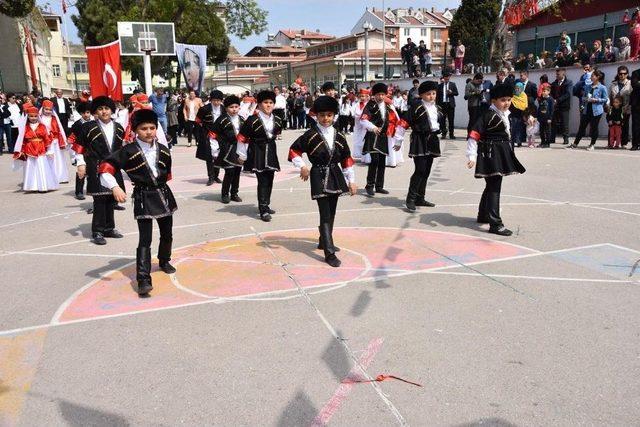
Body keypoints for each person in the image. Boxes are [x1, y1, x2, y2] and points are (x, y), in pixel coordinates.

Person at [99, 109, 177, 296]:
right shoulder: (128, 151)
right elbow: (104, 168)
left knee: (167, 233)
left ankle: (164, 260)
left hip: (164, 194)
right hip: (143, 196)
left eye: (152, 128)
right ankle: (143, 278)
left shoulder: (164, 150)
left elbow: (167, 174)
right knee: (145, 238)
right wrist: (115, 187)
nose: (149, 132)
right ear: (135, 130)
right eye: (143, 128)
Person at [288, 96, 357, 268]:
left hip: (335, 174)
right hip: (318, 175)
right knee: (325, 213)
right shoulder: (310, 135)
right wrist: (303, 166)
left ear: (334, 115)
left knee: (332, 212)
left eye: (329, 115)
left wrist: (352, 180)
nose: (325, 118)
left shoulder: (340, 135)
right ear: (316, 116)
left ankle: (323, 240)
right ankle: (329, 252)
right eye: (322, 115)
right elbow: (294, 151)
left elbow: (346, 159)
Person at [467, 84, 526, 236]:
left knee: (491, 184)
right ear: (493, 101)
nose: (506, 103)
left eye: (509, 100)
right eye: (503, 100)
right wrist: (471, 156)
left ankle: (483, 214)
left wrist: (530, 117)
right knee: (494, 187)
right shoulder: (488, 115)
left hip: (500, 153)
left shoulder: (505, 113)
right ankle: (495, 223)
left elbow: (522, 114)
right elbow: (473, 135)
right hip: (491, 154)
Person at [73, 96, 125, 245]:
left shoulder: (119, 127)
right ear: (96, 111)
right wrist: (81, 164)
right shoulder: (88, 127)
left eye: (107, 108)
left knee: (111, 198)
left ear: (112, 110)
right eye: (100, 109)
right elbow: (79, 146)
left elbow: (121, 149)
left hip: (113, 167)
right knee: (100, 200)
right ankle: (97, 230)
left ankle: (109, 228)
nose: (104, 111)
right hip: (96, 166)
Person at [236, 90, 283, 222]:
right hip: (257, 151)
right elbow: (242, 138)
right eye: (265, 102)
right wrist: (242, 155)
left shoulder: (278, 120)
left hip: (271, 151)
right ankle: (263, 209)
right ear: (259, 104)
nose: (268, 105)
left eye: (271, 103)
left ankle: (266, 204)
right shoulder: (252, 120)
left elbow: (276, 133)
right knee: (262, 181)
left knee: (270, 179)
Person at [397, 80, 441, 211]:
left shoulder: (437, 108)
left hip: (432, 139)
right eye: (428, 94)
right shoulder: (416, 107)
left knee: (426, 171)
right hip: (419, 140)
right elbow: (403, 123)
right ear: (421, 95)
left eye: (434, 93)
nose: (431, 96)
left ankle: (420, 198)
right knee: (420, 170)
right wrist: (398, 140)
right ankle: (410, 198)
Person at [360, 83, 402, 196]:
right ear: (374, 95)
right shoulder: (370, 105)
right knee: (374, 160)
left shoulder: (388, 106)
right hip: (373, 136)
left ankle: (379, 186)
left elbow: (396, 120)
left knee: (382, 162)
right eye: (378, 94)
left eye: (383, 94)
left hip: (383, 137)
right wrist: (373, 127)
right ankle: (369, 185)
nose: (381, 97)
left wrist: (396, 134)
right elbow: (363, 120)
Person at [12, 106, 58, 192]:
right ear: (28, 117)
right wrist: (21, 151)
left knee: (41, 166)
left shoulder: (42, 126)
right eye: (31, 116)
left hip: (41, 149)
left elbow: (47, 139)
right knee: (31, 167)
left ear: (38, 116)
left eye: (35, 116)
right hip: (29, 149)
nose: (33, 118)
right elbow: (22, 140)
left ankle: (43, 186)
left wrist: (50, 150)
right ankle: (32, 186)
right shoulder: (25, 128)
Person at [212, 95, 244, 204]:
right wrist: (214, 150)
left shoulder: (242, 119)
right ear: (226, 108)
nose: (234, 109)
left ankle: (234, 193)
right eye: (231, 107)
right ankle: (225, 194)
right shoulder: (221, 120)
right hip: (226, 149)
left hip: (239, 149)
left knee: (237, 171)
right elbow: (212, 135)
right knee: (230, 171)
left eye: (236, 106)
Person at [568, 70, 608, 151]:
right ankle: (575, 143)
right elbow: (583, 97)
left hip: (596, 111)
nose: (591, 77)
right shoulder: (588, 87)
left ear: (598, 77)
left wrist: (596, 100)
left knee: (594, 127)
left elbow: (605, 99)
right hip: (587, 109)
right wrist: (585, 100)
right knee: (582, 127)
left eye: (593, 76)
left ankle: (592, 144)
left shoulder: (602, 87)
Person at [195, 90, 223, 186]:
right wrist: (203, 132)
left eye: (218, 100)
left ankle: (216, 175)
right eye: (214, 100)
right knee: (209, 157)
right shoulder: (204, 109)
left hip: (220, 136)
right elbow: (198, 120)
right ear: (211, 100)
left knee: (218, 156)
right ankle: (211, 177)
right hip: (208, 136)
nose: (216, 102)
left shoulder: (224, 109)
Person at [67, 101, 92, 200]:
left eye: (88, 112)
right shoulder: (77, 125)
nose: (86, 115)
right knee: (81, 170)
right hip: (81, 149)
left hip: (92, 149)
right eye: (84, 113)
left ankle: (91, 189)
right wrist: (74, 155)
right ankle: (79, 191)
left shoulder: (93, 122)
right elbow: (73, 139)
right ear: (81, 113)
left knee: (92, 170)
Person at [39, 99, 69, 184]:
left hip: (55, 142)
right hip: (45, 143)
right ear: (43, 109)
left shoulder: (55, 119)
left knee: (58, 159)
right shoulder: (40, 119)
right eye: (46, 109)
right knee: (48, 159)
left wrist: (63, 140)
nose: (48, 111)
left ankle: (60, 177)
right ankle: (50, 177)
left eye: (50, 109)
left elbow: (60, 129)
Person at [609, 65, 632, 148]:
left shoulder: (630, 83)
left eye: (624, 73)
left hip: (626, 108)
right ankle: (611, 143)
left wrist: (628, 106)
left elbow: (632, 96)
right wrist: (608, 107)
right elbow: (610, 96)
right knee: (612, 125)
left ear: (627, 74)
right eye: (620, 73)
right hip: (614, 109)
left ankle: (624, 143)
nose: (622, 75)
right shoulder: (613, 84)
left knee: (625, 126)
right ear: (618, 74)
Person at [550, 68, 573, 145]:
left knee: (564, 123)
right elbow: (551, 94)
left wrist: (558, 100)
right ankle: (552, 138)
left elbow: (568, 94)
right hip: (555, 106)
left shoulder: (569, 82)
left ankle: (566, 138)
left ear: (563, 74)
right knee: (553, 122)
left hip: (564, 106)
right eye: (556, 74)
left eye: (558, 74)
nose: (556, 75)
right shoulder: (553, 83)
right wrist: (553, 100)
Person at [436, 72, 458, 139]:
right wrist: (437, 105)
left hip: (450, 105)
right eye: (445, 78)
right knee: (442, 120)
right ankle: (444, 134)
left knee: (451, 120)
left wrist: (451, 92)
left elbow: (456, 93)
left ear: (449, 78)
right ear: (443, 78)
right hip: (442, 105)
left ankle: (451, 134)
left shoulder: (452, 84)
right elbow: (437, 96)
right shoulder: (440, 86)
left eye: (447, 78)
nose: (446, 79)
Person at [351, 88, 369, 160]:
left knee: (364, 139)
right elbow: (352, 112)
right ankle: (359, 154)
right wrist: (358, 115)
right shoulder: (356, 104)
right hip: (358, 124)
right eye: (361, 96)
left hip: (365, 125)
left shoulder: (368, 104)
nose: (362, 98)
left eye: (364, 96)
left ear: (367, 96)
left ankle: (365, 156)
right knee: (357, 139)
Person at [509, 82, 528, 148]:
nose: (517, 89)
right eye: (516, 88)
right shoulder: (513, 95)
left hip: (521, 114)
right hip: (513, 114)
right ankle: (513, 141)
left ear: (522, 88)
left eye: (518, 88)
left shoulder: (524, 95)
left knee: (520, 129)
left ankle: (519, 142)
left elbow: (525, 106)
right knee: (513, 128)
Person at [630, 66, 640, 150]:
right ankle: (635, 144)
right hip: (637, 104)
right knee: (636, 125)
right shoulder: (635, 73)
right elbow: (635, 85)